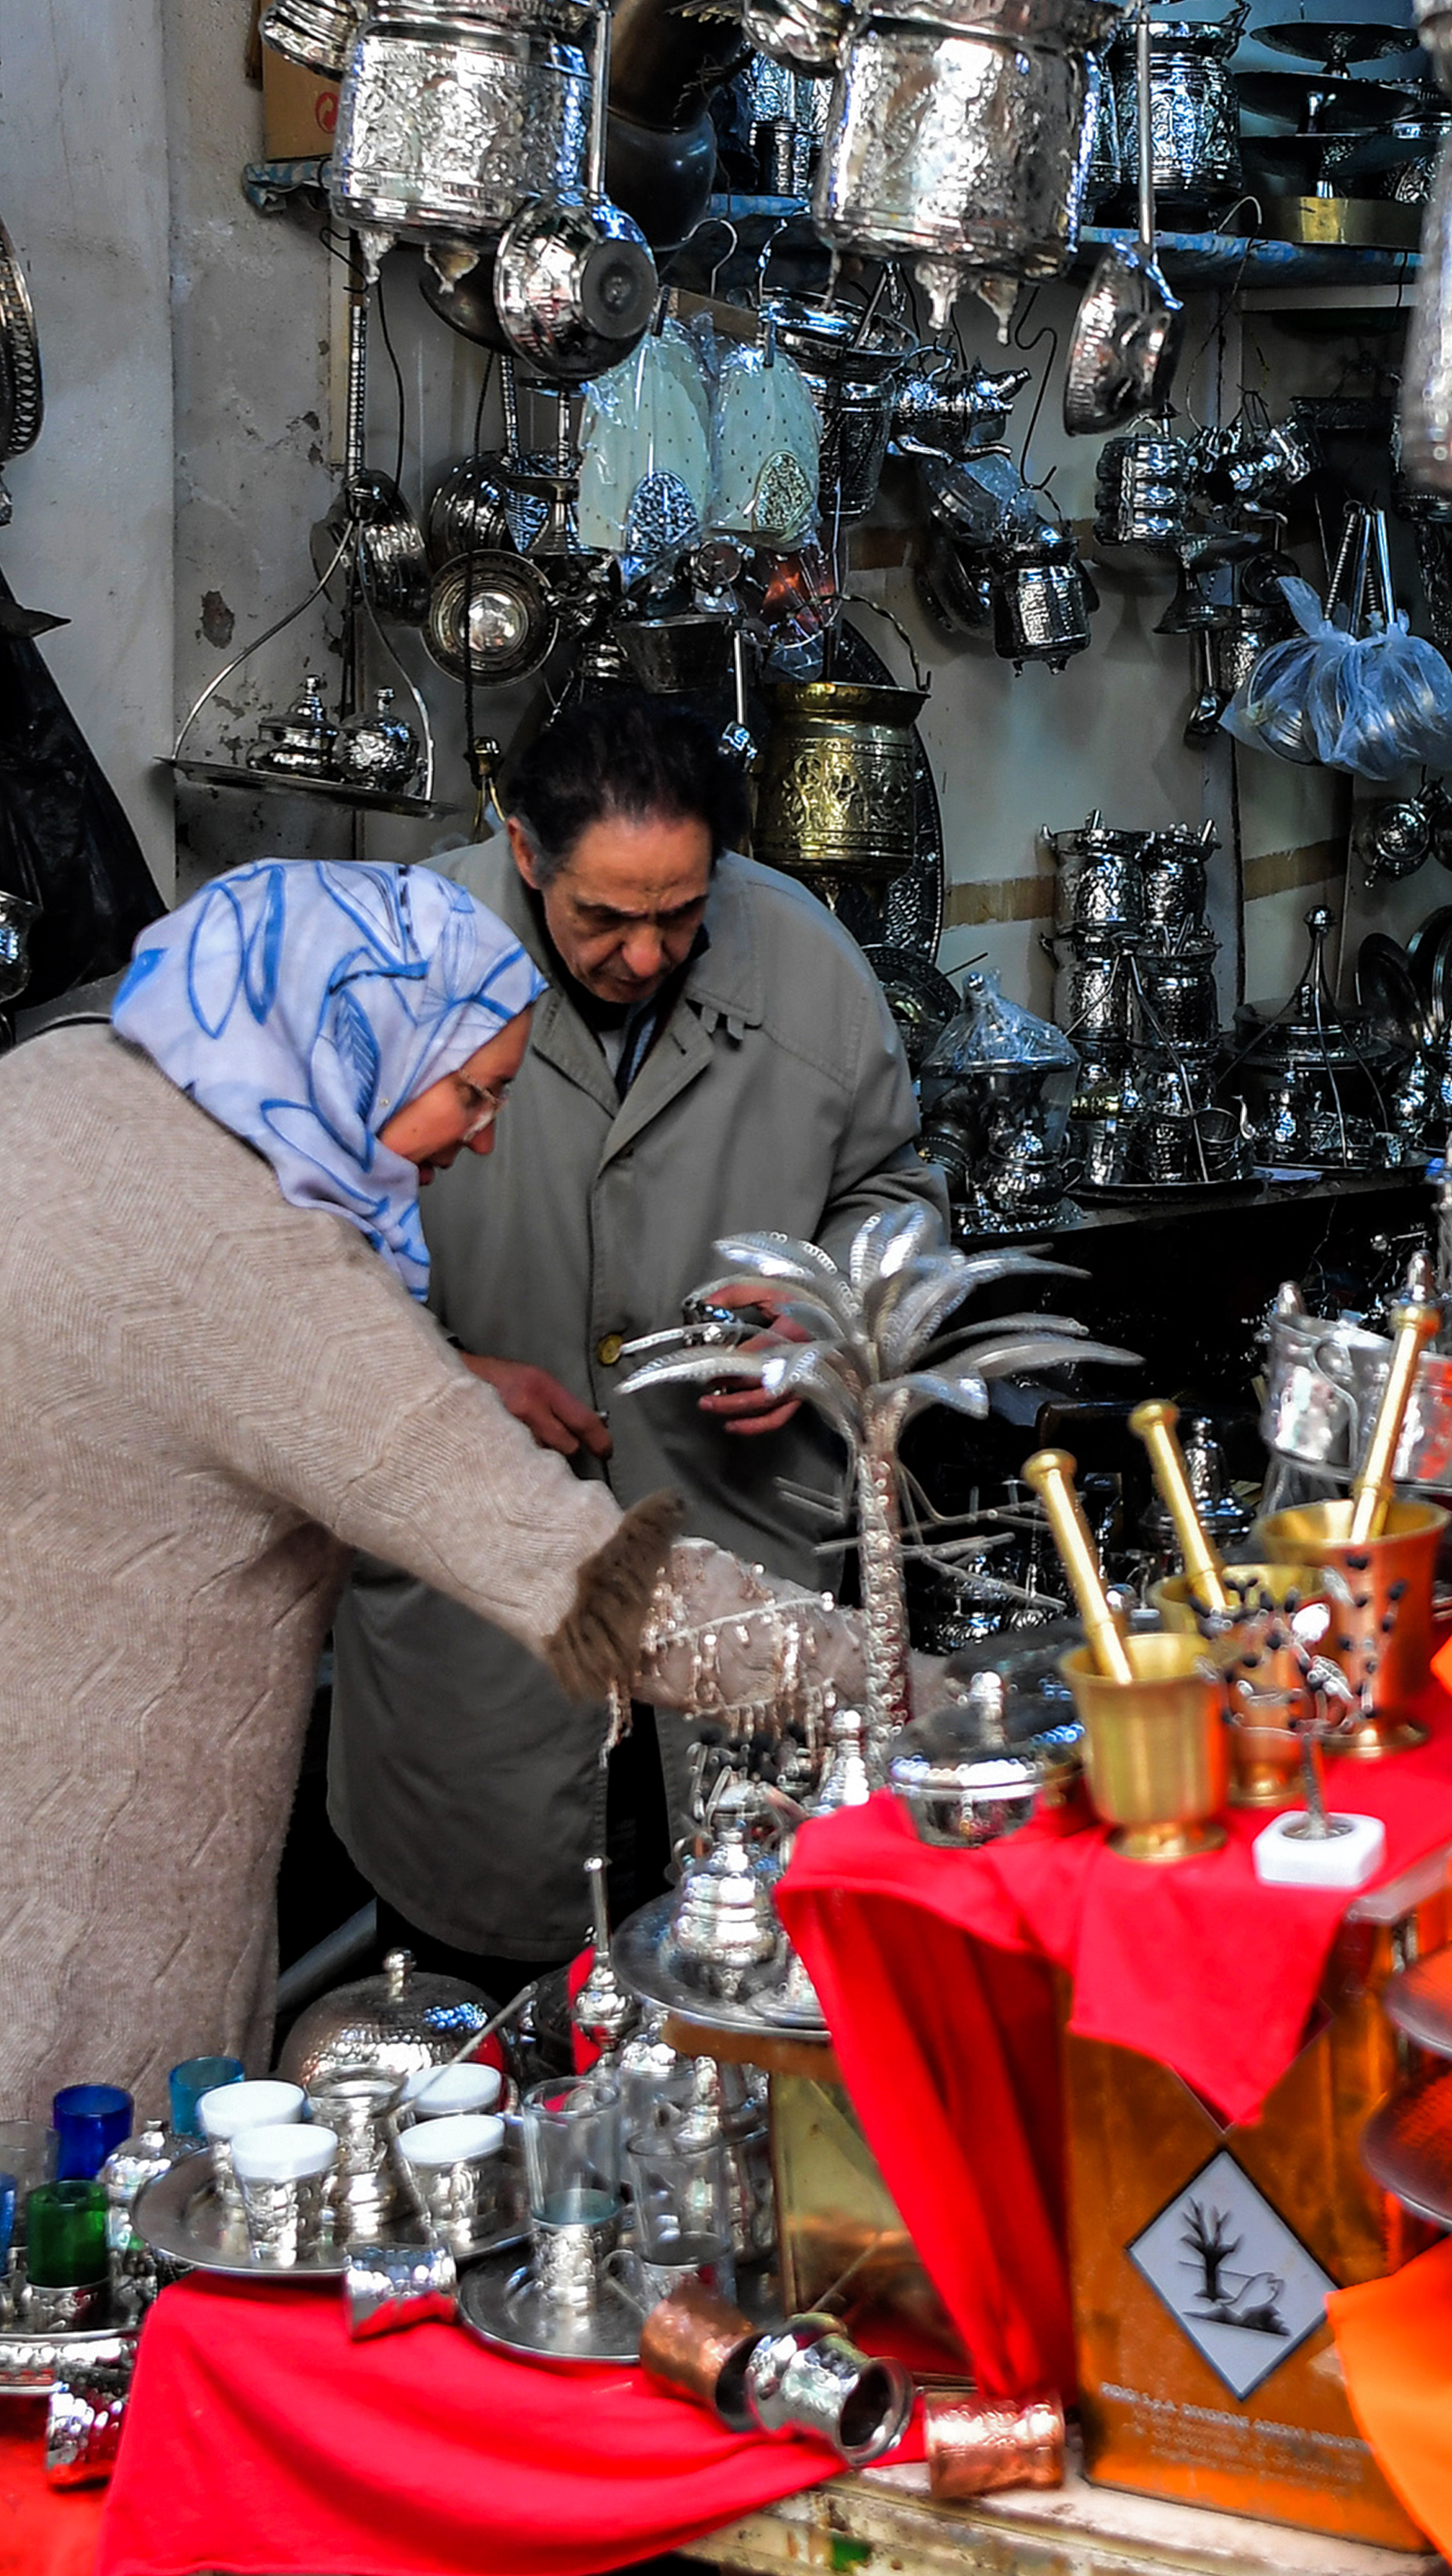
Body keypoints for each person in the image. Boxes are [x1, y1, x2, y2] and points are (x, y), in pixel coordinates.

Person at [0, 859, 841, 2243]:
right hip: (55, 1912)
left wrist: (427, 1381)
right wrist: (878, 1678)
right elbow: (575, 1576)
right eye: (472, 1091)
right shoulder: (256, 1262)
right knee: (42, 2300)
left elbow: (123, 1375)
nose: (484, 1136)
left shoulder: (59, 1081)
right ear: (354, 1038)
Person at [323, 692, 940, 1997]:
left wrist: (829, 1303)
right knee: (488, 2015)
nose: (647, 955)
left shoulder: (808, 965)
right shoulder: (388, 966)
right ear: (524, 849)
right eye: (604, 915)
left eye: (679, 912)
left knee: (749, 1975)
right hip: (480, 1604)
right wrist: (437, 1375)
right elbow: (284, 1244)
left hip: (740, 1539)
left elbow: (900, 1190)